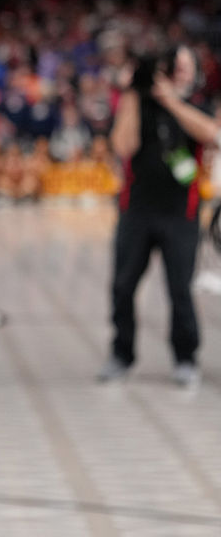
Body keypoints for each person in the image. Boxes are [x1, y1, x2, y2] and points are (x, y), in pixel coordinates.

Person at [100, 46, 220, 387]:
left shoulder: (196, 104)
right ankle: (121, 354)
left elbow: (212, 134)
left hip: (181, 214)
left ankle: (185, 357)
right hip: (136, 211)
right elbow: (123, 146)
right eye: (172, 67)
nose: (177, 73)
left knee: (180, 288)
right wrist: (132, 94)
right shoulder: (138, 103)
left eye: (184, 67)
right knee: (123, 286)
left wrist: (171, 101)